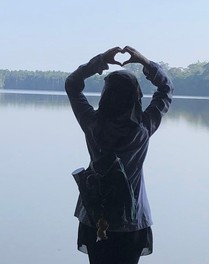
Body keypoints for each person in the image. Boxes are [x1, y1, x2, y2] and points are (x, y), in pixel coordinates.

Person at [65, 46, 174, 264]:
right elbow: (165, 90)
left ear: (105, 95)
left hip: (95, 218)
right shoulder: (142, 129)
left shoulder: (92, 124)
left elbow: (72, 86)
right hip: (132, 222)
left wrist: (99, 62)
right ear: (136, 97)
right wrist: (145, 62)